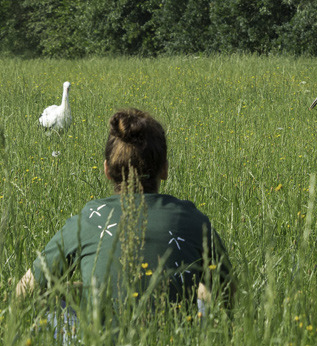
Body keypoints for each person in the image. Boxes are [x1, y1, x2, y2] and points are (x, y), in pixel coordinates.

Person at [15, 108, 234, 325]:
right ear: (165, 170)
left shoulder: (89, 218)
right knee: (204, 295)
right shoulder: (191, 219)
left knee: (48, 302)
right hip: (176, 345)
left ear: (107, 170)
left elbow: (23, 292)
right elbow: (230, 297)